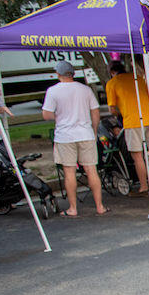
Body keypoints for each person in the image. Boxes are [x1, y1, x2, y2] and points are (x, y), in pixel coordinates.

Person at [42, 61, 106, 217]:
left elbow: (47, 114)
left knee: (69, 171)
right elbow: (95, 113)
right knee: (91, 169)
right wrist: (94, 129)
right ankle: (100, 206)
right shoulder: (85, 90)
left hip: (65, 135)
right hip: (85, 133)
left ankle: (73, 208)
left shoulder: (53, 91)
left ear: (58, 74)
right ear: (73, 74)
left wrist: (58, 116)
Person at [104, 59, 149, 197]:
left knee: (138, 156)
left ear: (112, 72)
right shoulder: (137, 78)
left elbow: (112, 110)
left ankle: (144, 186)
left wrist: (121, 112)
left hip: (132, 121)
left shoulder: (112, 83)